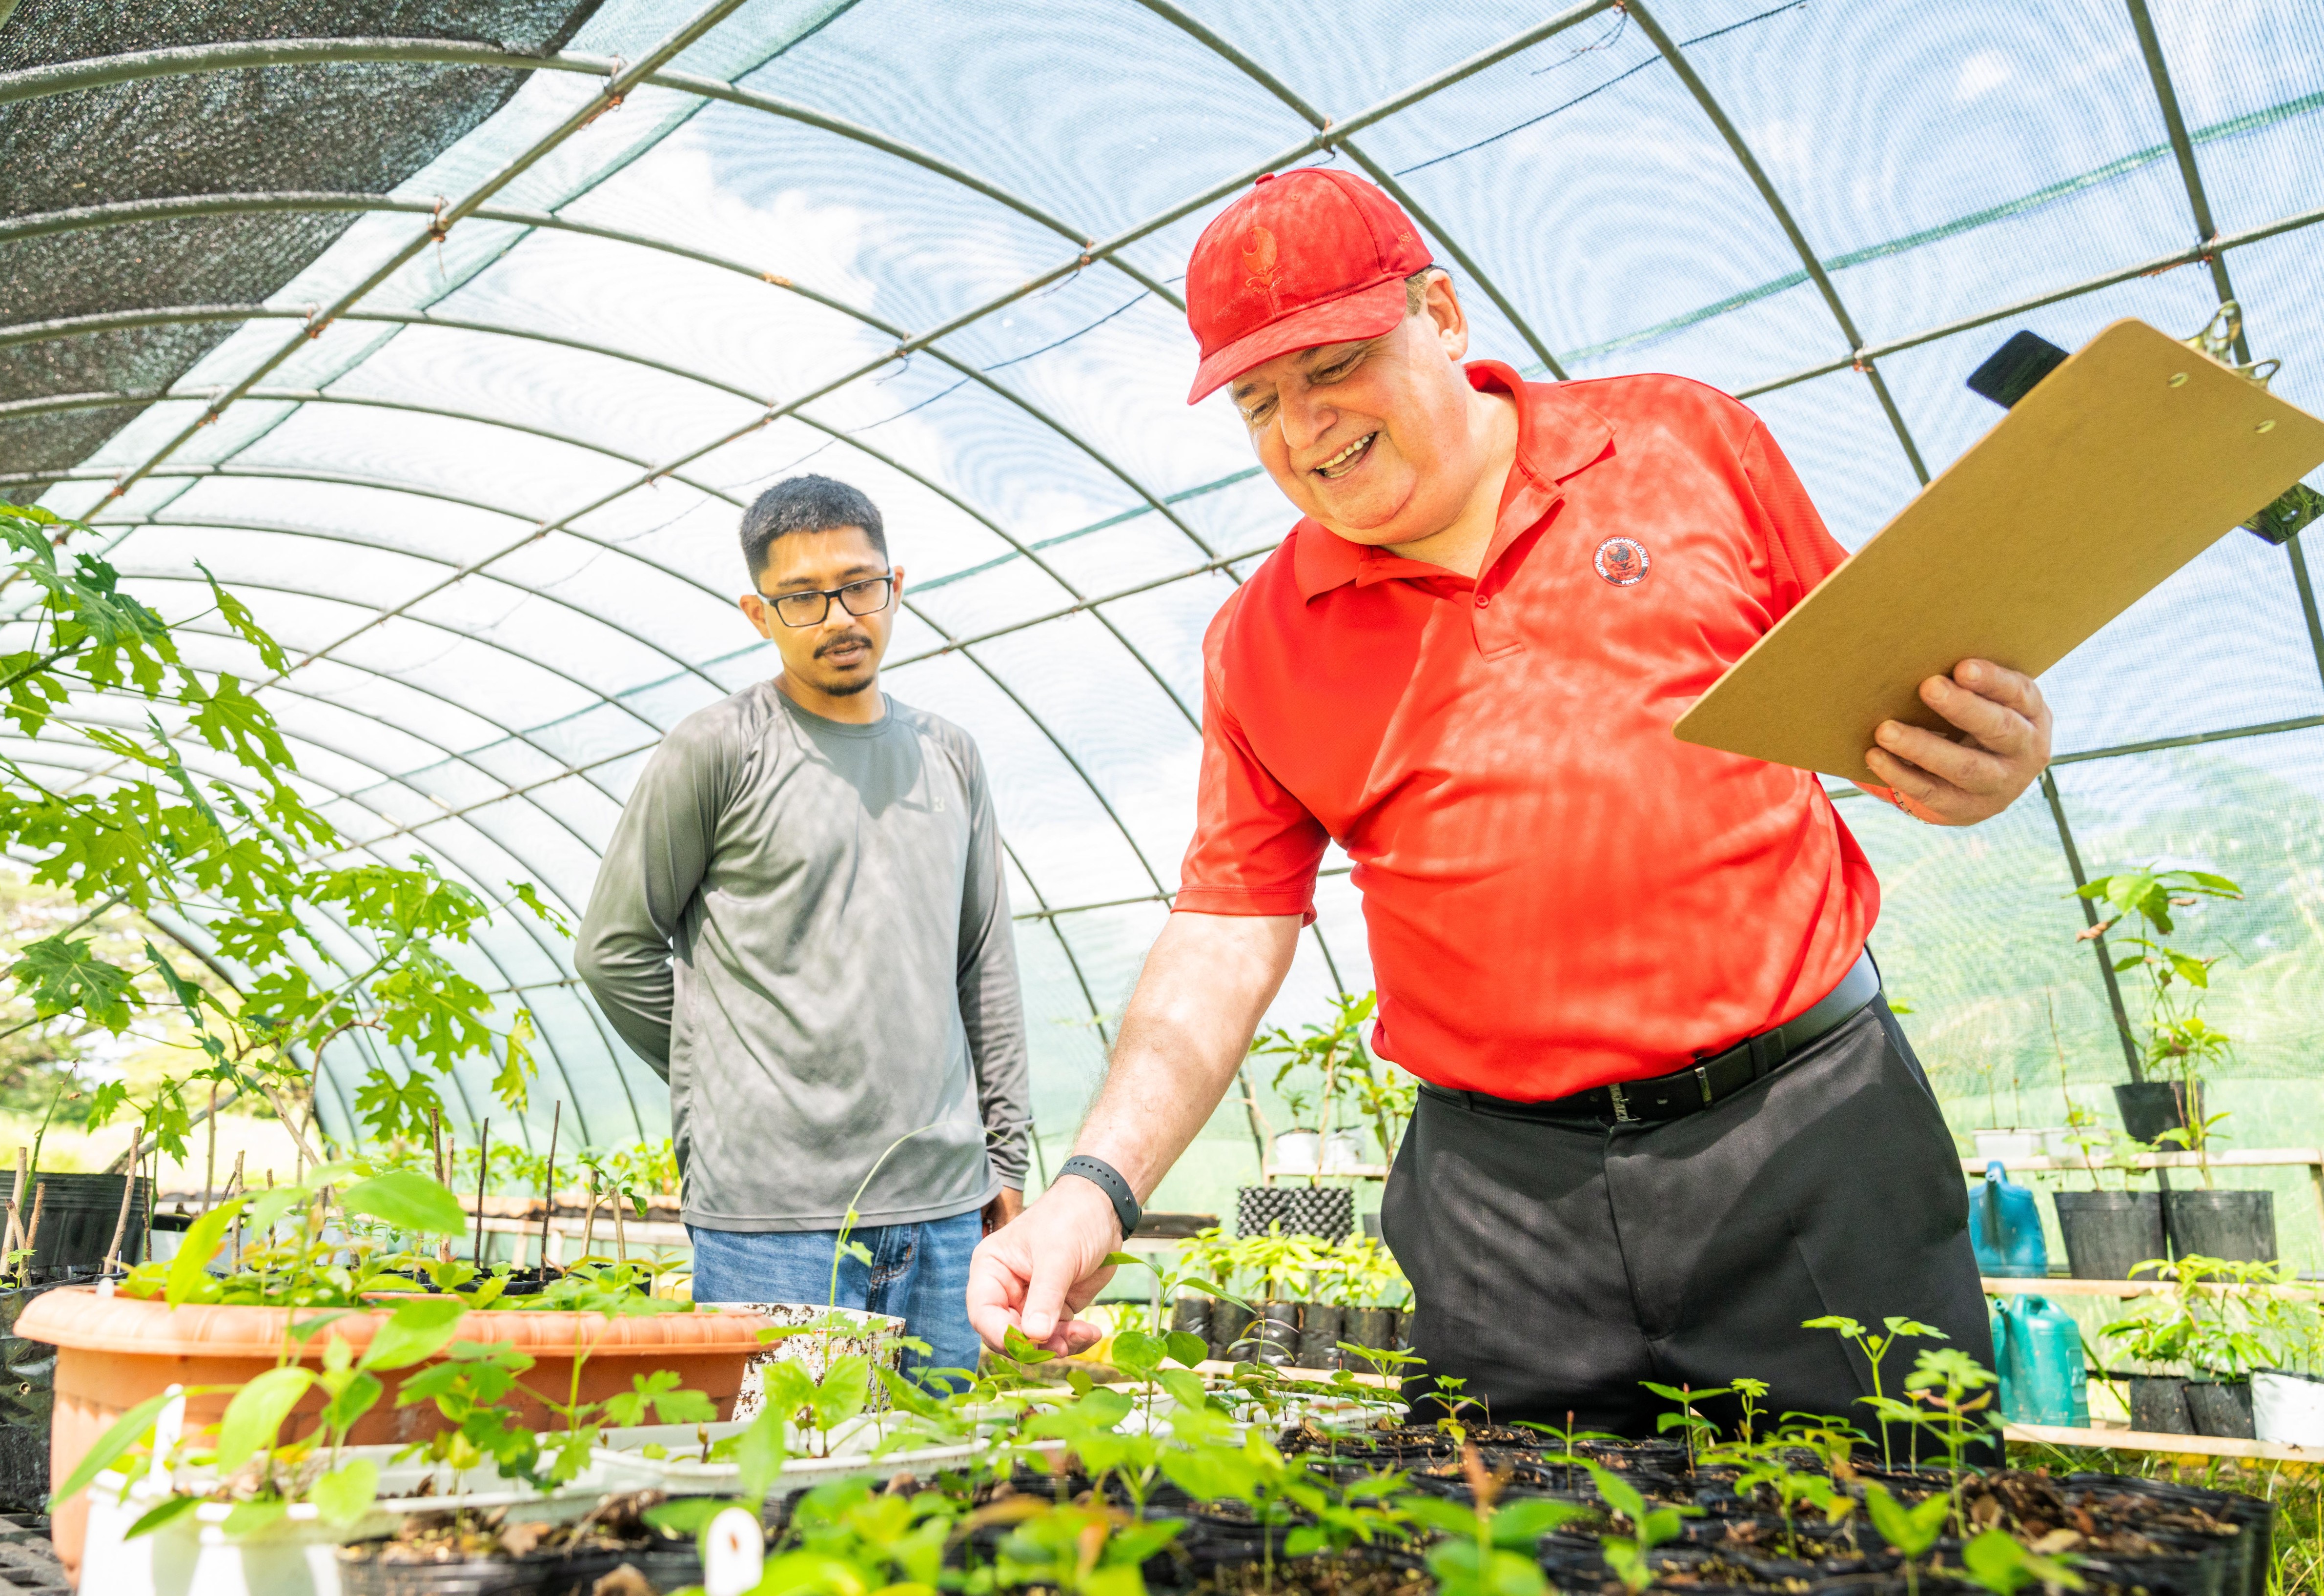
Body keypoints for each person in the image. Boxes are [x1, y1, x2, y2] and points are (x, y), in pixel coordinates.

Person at [967, 169, 2055, 1434]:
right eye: (1259, 400)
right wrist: (1096, 1185)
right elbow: (1226, 924)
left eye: (1331, 364)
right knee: (1513, 1544)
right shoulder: (1260, 637)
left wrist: (1980, 753)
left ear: (1441, 314)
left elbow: (1881, 698)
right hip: (1501, 1204)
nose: (1302, 426)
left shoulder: (1677, 445)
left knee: (1894, 1528)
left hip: (1806, 1136)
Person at [579, 473, 1029, 1378]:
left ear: (894, 586)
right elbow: (613, 949)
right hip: (770, 1217)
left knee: (936, 1491)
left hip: (944, 1207)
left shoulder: (950, 756)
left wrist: (1006, 1156)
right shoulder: (719, 748)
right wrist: (733, 1071)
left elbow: (983, 963)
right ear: (759, 611)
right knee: (783, 1490)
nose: (839, 616)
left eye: (860, 586)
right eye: (802, 597)